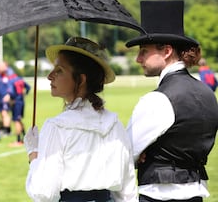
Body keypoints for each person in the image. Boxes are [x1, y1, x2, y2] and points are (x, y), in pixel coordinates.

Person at [24, 37, 138, 201]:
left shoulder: (57, 126)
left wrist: (34, 155)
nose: (50, 76)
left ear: (81, 79)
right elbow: (127, 192)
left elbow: (44, 194)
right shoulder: (114, 123)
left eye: (59, 70)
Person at [125, 0, 218, 202]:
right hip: (195, 194)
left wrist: (144, 153)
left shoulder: (158, 99)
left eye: (144, 51)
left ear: (166, 51)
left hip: (158, 196)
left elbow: (125, 151)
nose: (138, 59)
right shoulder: (209, 94)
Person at [8, 73, 31, 147]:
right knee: (19, 119)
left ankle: (18, 140)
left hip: (16, 102)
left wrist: (11, 100)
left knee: (16, 121)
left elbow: (11, 92)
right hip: (21, 102)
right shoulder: (20, 80)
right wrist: (25, 94)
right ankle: (25, 137)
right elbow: (28, 87)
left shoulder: (11, 81)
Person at [0, 61, 13, 136]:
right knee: (1, 114)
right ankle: (4, 129)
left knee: (5, 113)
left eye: (1, 66)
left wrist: (9, 94)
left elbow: (11, 85)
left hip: (5, 97)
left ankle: (7, 131)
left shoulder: (8, 74)